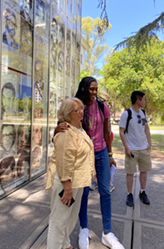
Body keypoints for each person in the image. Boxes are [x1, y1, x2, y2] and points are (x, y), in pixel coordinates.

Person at [55, 77, 124, 249]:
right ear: (84, 88)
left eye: (96, 89)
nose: (94, 92)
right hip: (84, 155)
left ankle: (107, 233)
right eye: (91, 89)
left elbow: (107, 131)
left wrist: (110, 154)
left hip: (101, 153)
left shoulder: (102, 106)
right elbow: (63, 125)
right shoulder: (77, 107)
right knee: (83, 194)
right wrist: (57, 129)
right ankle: (84, 229)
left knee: (105, 191)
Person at [46, 97, 95, 249]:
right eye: (77, 109)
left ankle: (65, 244)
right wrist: (67, 188)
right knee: (58, 222)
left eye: (82, 108)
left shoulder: (79, 129)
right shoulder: (66, 132)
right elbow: (64, 162)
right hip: (65, 184)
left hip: (77, 182)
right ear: (68, 113)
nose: (82, 111)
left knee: (70, 218)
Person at [119, 90, 151, 207]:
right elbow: (121, 132)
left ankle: (142, 192)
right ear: (138, 101)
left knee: (144, 171)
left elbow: (146, 128)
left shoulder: (143, 113)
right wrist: (126, 148)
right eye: (143, 99)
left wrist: (149, 143)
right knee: (130, 173)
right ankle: (129, 194)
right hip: (131, 150)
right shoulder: (126, 114)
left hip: (143, 149)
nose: (145, 101)